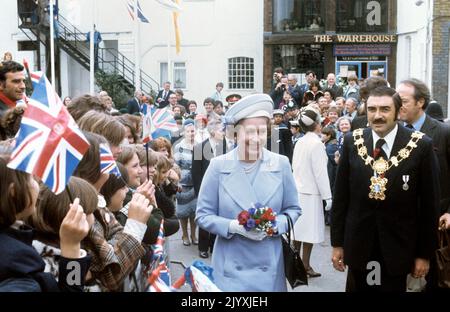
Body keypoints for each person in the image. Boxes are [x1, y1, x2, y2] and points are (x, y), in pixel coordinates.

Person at [331, 86, 440, 292]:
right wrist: (337, 243)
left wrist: (424, 254)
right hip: (359, 244)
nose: (377, 116)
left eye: (385, 109)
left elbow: (429, 206)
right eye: (372, 109)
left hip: (399, 247)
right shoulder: (352, 142)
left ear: (398, 112)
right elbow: (341, 198)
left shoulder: (421, 146)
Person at [195, 94, 301, 292]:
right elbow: (202, 215)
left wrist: (273, 226)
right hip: (230, 267)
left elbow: (293, 209)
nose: (255, 138)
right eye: (249, 132)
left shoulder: (281, 164)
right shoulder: (218, 166)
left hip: (268, 265)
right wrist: (232, 226)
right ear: (236, 133)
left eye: (261, 132)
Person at [0, 156, 91, 292]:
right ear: (13, 191)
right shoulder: (17, 264)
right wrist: (71, 246)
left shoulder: (16, 241)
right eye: (31, 178)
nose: (37, 182)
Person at [396, 79, 450, 228]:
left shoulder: (444, 132)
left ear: (420, 102)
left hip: (436, 219)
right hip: (400, 222)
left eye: (404, 101)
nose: (398, 106)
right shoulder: (393, 132)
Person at [292, 109, 332, 278]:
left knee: (298, 233)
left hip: (298, 190)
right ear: (317, 124)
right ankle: (305, 266)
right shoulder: (316, 143)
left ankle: (296, 264)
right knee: (308, 233)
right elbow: (320, 173)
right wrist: (327, 196)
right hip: (311, 193)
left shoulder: (300, 141)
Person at [192, 118, 229, 259]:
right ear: (213, 132)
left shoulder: (227, 147)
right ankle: (203, 247)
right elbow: (195, 174)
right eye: (221, 130)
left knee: (218, 217)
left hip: (222, 189)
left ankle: (214, 245)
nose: (224, 132)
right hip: (204, 189)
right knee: (205, 218)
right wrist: (198, 193)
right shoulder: (199, 148)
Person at [173, 119, 198, 246]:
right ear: (184, 132)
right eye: (188, 131)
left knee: (194, 212)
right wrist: (177, 181)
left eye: (193, 131)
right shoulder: (179, 147)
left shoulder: (199, 146)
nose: (191, 133)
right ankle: (184, 235)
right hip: (183, 183)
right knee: (183, 212)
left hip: (196, 183)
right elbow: (175, 166)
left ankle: (194, 235)